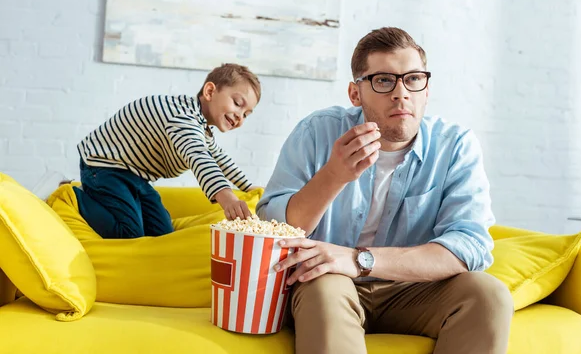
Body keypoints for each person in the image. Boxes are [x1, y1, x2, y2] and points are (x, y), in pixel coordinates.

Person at [257, 27, 513, 353]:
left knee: (488, 295)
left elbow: (468, 247)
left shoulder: (455, 146)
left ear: (426, 90)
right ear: (355, 94)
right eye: (383, 80)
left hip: (414, 289)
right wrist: (334, 175)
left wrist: (359, 259)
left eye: (413, 79)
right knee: (323, 289)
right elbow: (272, 231)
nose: (401, 93)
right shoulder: (316, 132)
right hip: (330, 282)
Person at [74, 63, 261, 239]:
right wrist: (227, 197)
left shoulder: (201, 127)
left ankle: (127, 203)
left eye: (246, 114)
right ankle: (74, 196)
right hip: (103, 166)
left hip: (135, 175)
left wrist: (250, 188)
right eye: (237, 103)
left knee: (162, 232)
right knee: (130, 233)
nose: (239, 117)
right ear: (210, 91)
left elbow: (219, 158)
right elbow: (199, 157)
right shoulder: (182, 118)